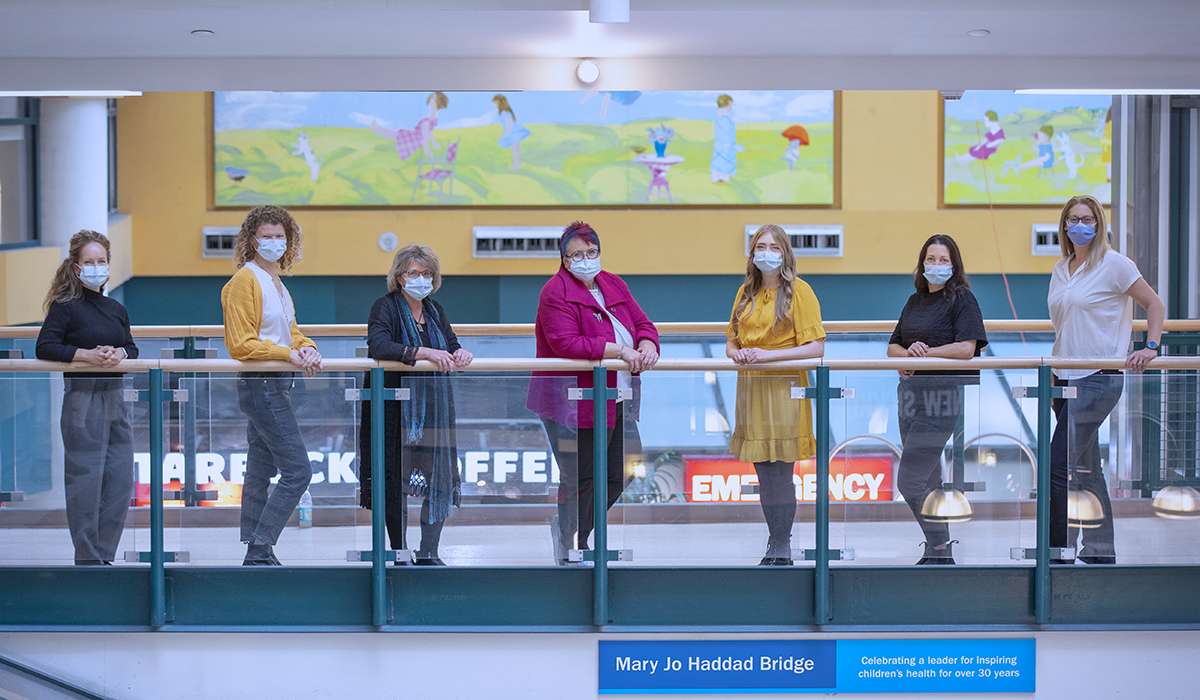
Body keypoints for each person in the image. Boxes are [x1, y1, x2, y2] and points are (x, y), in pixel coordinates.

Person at [528, 222, 659, 565]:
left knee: (623, 471)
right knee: (581, 476)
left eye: (592, 252)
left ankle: (569, 527)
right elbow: (565, 342)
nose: (586, 259)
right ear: (564, 259)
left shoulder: (612, 283)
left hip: (617, 395)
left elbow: (643, 323)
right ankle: (577, 542)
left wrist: (646, 345)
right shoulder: (555, 291)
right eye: (577, 254)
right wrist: (620, 351)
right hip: (573, 399)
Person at [1047, 194, 1164, 564]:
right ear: (1064, 225)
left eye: (1087, 219)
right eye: (1073, 219)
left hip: (1098, 378)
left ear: (1098, 225)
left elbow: (1155, 305)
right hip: (1062, 378)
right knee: (1085, 468)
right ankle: (1100, 552)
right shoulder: (1061, 269)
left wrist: (1151, 347)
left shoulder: (1115, 264)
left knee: (1057, 466)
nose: (1080, 225)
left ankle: (1056, 553)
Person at [221, 205, 323, 565]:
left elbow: (291, 333)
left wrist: (307, 348)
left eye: (280, 237)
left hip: (279, 382)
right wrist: (288, 354)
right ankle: (261, 546)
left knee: (260, 469)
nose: (275, 242)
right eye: (267, 236)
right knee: (299, 470)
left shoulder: (277, 284)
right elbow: (241, 343)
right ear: (252, 240)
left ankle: (254, 548)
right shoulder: (242, 282)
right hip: (260, 384)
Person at [359, 244, 472, 565]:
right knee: (394, 478)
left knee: (439, 476)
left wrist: (460, 353)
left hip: (435, 410)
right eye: (413, 273)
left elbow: (450, 344)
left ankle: (429, 551)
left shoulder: (435, 310)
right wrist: (425, 353)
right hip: (394, 409)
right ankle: (400, 550)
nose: (420, 279)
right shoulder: (385, 307)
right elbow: (379, 345)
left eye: (426, 273)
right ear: (399, 276)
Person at [36, 230, 139, 565]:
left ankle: (105, 555)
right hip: (82, 398)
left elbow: (133, 347)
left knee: (121, 479)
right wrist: (86, 356)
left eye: (101, 261)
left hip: (115, 398)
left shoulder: (116, 308)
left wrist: (118, 354)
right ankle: (87, 558)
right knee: (86, 482)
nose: (96, 267)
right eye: (89, 262)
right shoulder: (65, 307)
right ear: (76, 267)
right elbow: (45, 347)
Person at [725, 224, 826, 565]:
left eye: (773, 247)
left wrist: (769, 356)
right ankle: (774, 540)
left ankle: (782, 544)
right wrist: (736, 352)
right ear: (752, 253)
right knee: (763, 471)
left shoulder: (800, 291)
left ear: (785, 253)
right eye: (760, 246)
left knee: (781, 470)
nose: (766, 253)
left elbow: (816, 347)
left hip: (785, 388)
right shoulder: (745, 293)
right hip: (752, 390)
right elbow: (731, 341)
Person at [886, 235, 988, 565]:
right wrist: (908, 353)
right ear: (922, 263)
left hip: (941, 402)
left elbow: (967, 348)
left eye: (944, 260)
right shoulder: (914, 301)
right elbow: (893, 348)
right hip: (910, 401)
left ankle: (940, 546)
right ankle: (938, 552)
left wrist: (925, 353)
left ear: (954, 265)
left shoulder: (961, 299)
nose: (936, 265)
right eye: (931, 258)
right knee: (929, 479)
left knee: (910, 481)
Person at [371, 91, 448, 161]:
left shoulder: (429, 120)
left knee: (396, 135)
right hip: (415, 136)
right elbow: (429, 132)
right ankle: (377, 129)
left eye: (433, 99)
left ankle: (377, 129)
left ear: (438, 102)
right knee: (396, 135)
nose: (430, 100)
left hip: (415, 137)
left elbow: (426, 134)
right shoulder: (433, 119)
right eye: (431, 98)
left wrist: (427, 150)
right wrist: (434, 143)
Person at [710, 94, 744, 183]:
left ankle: (719, 177)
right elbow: (728, 137)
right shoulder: (726, 121)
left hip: (722, 147)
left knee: (720, 164)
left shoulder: (719, 120)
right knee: (723, 165)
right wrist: (734, 146)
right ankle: (720, 178)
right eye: (731, 105)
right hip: (726, 148)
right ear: (728, 106)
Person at [492, 95, 531, 170]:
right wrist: (504, 135)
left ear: (501, 104)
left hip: (514, 132)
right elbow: (505, 126)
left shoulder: (505, 112)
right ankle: (516, 165)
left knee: (515, 149)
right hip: (512, 132)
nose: (494, 106)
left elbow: (509, 125)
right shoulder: (502, 113)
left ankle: (516, 165)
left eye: (495, 104)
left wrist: (507, 134)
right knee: (515, 149)